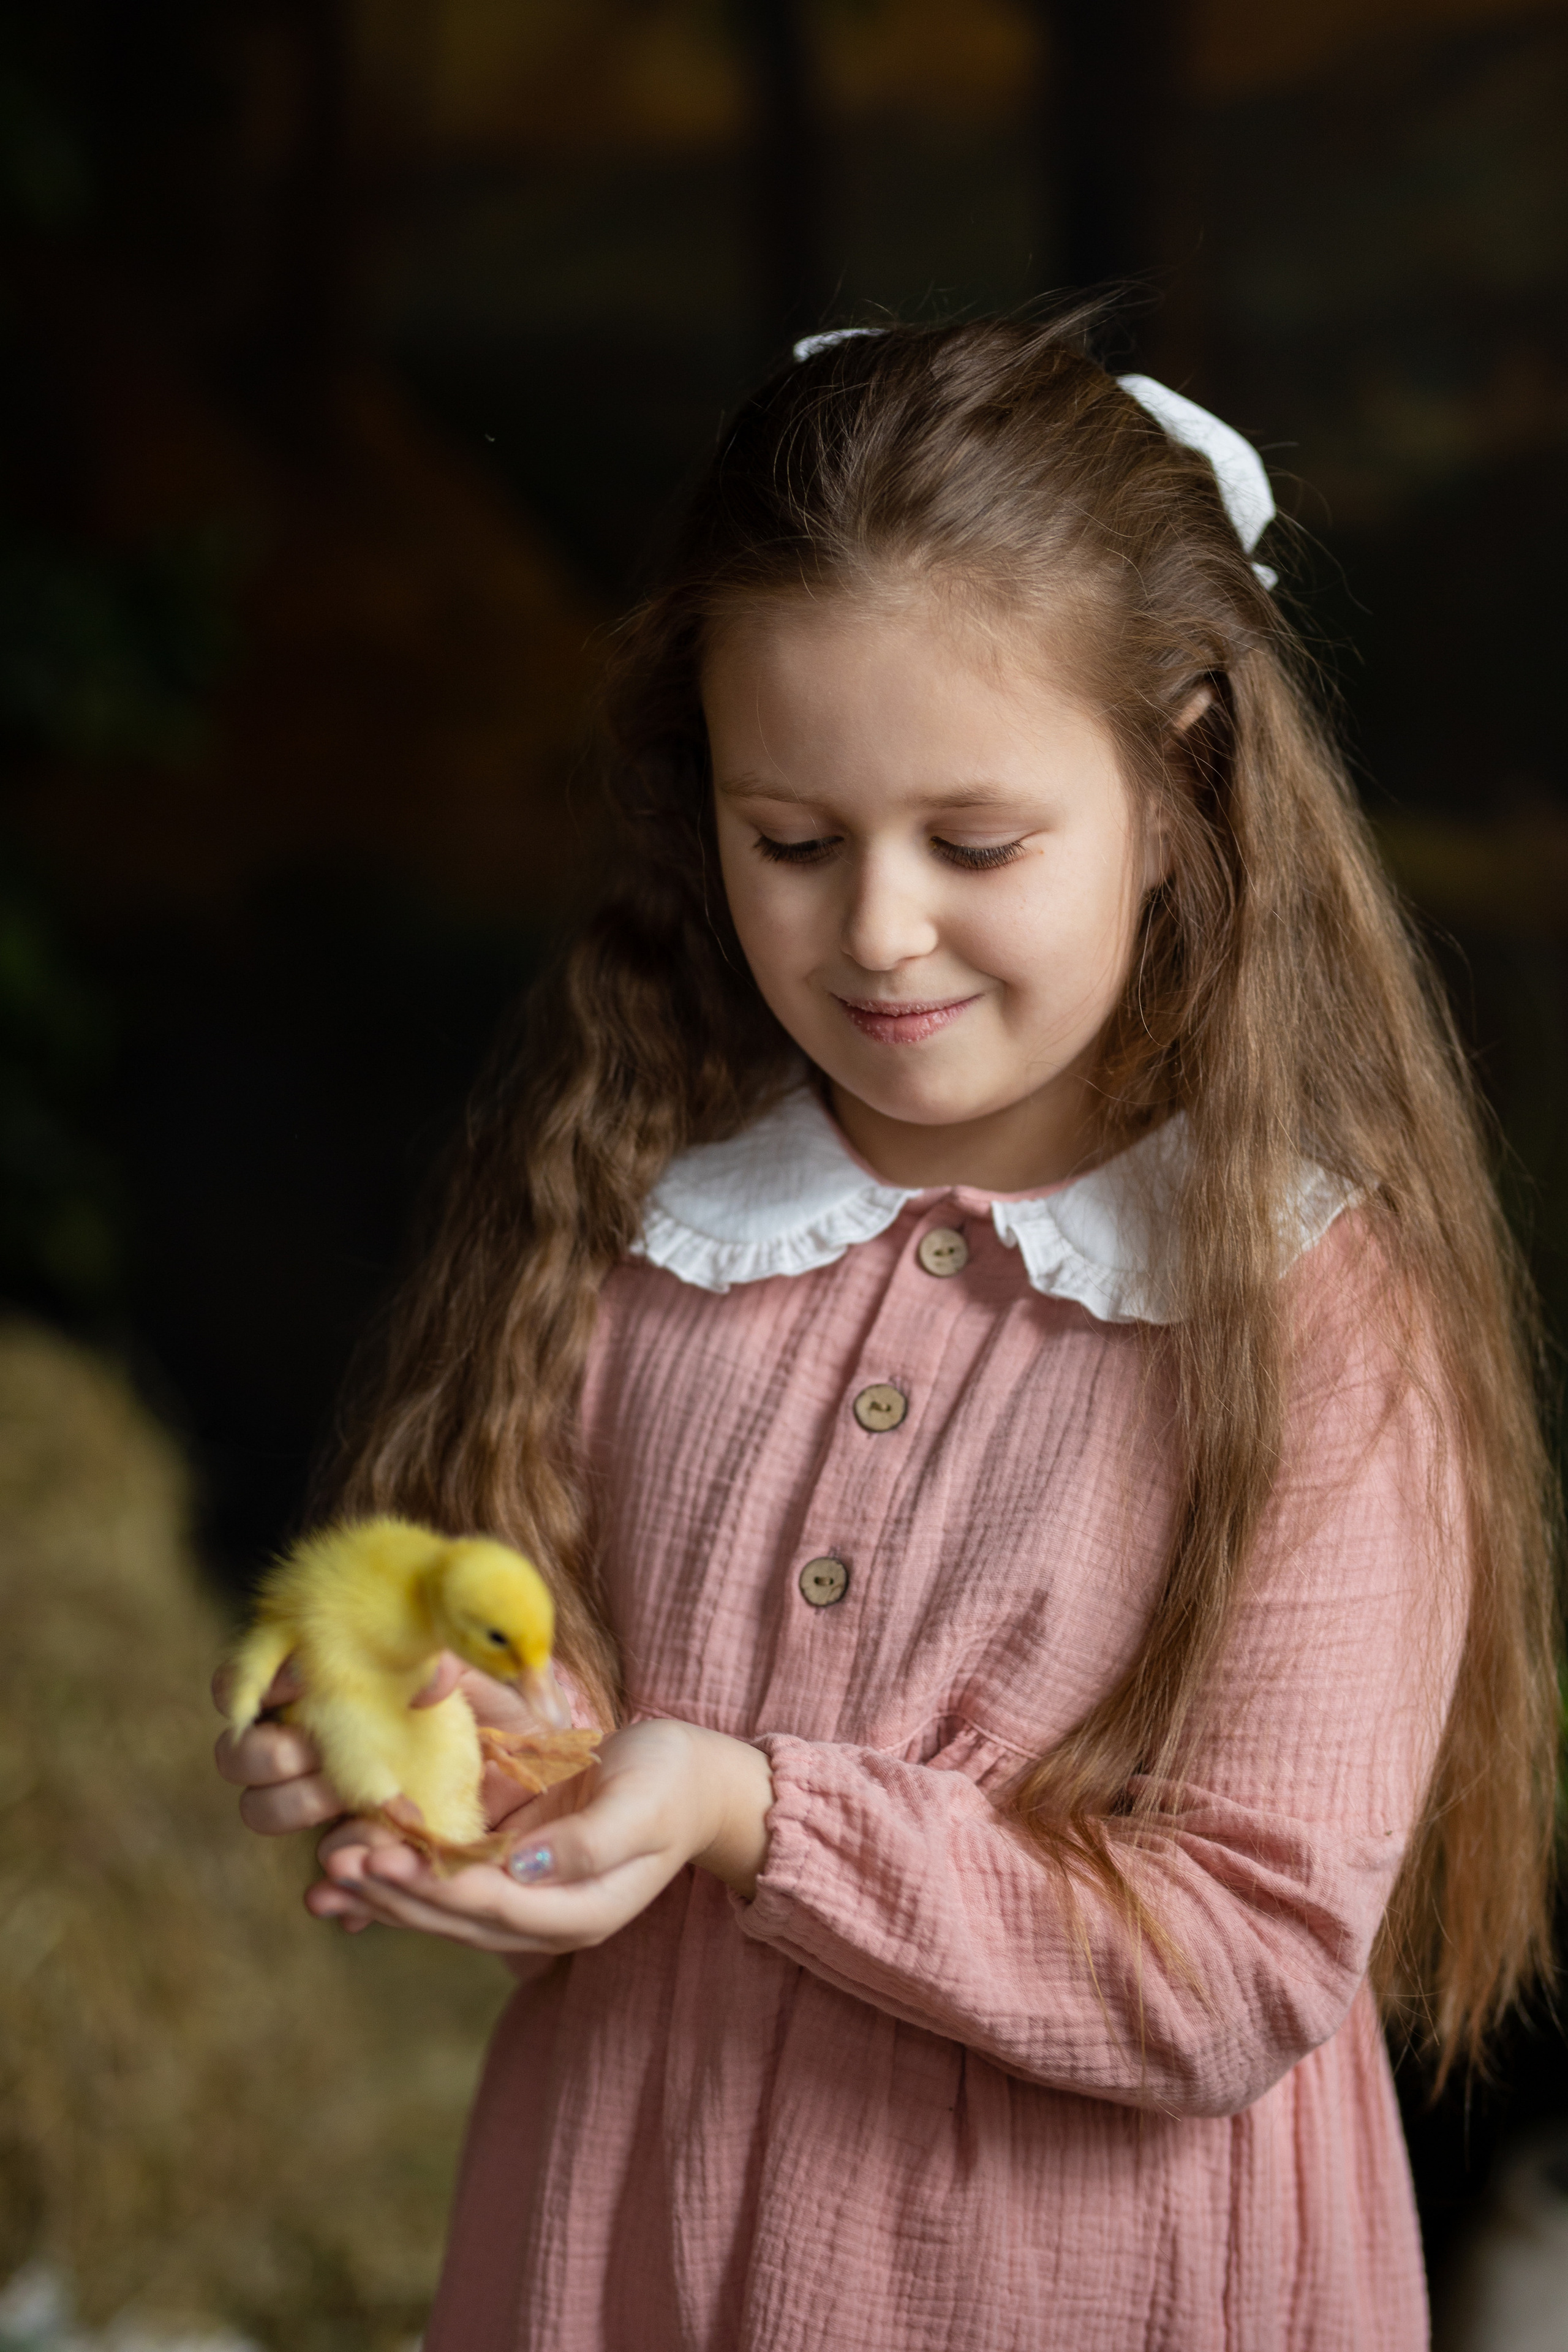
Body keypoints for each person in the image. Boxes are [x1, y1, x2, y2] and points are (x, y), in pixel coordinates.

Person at [215, 315, 1559, 2351]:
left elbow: (1237, 1965)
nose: (877, 932)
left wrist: (751, 1807)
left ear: (1184, 766)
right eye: (796, 840)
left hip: (1081, 2288)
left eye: (976, 842)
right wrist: (441, 1774)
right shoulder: (649, 1217)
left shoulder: (1309, 1321)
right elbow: (567, 1695)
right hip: (634, 2234)